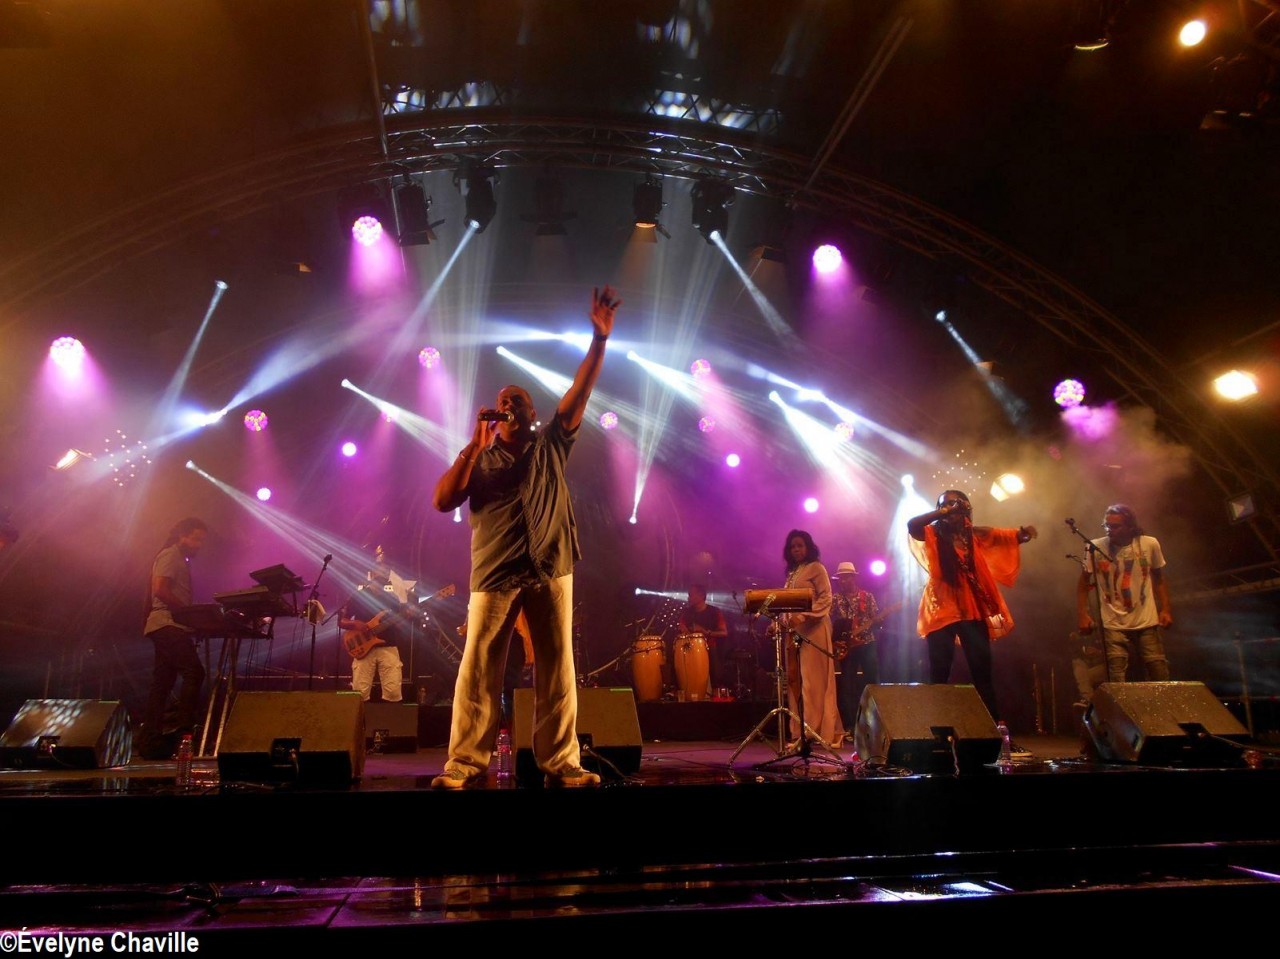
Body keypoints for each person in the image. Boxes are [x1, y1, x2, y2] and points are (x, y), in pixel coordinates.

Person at [430, 285, 620, 789]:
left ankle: (561, 763)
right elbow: (443, 500)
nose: (509, 403)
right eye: (502, 400)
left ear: (532, 412)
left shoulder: (552, 443)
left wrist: (599, 341)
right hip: (495, 572)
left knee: (557, 669)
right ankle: (465, 763)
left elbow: (580, 392)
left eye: (518, 400)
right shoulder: (480, 458)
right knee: (479, 669)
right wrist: (473, 446)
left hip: (551, 566)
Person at [907, 491, 1036, 725]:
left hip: (971, 608)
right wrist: (943, 511)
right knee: (939, 673)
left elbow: (1003, 536)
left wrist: (1021, 535)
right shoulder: (932, 533)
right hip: (940, 609)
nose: (951, 508)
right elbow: (912, 524)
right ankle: (938, 731)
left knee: (982, 672)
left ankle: (993, 728)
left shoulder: (973, 534)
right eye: (945, 504)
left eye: (955, 504)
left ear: (966, 507)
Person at [1076, 504, 1172, 682]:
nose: (1109, 530)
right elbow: (1083, 583)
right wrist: (1083, 614)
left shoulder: (1149, 544)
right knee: (1116, 675)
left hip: (1146, 620)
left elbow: (1159, 579)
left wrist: (1165, 609)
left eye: (1115, 526)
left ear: (1130, 526)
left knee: (1158, 670)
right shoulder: (1095, 547)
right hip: (1112, 622)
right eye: (1107, 525)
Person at [138, 517, 208, 760]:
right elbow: (160, 589)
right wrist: (188, 612)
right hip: (167, 623)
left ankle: (150, 740)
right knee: (194, 672)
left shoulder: (180, 559)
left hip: (167, 624)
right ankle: (184, 734)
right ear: (182, 536)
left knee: (162, 682)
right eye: (196, 539)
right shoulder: (170, 555)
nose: (199, 545)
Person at [779, 529, 839, 746]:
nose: (796, 550)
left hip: (814, 628)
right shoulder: (792, 573)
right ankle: (799, 731)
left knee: (813, 682)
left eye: (800, 545)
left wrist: (803, 616)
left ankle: (814, 730)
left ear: (808, 547)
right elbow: (787, 603)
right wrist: (779, 622)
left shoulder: (816, 568)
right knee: (795, 680)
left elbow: (826, 598)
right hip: (795, 631)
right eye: (792, 547)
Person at [340, 546, 410, 704]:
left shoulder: (394, 598)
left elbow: (400, 625)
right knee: (359, 693)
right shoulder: (358, 596)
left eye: (385, 570)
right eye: (379, 568)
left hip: (388, 646)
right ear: (371, 573)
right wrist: (355, 624)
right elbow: (341, 621)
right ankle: (359, 720)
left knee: (393, 692)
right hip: (363, 649)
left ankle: (388, 719)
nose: (382, 572)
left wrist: (405, 616)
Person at [831, 561, 881, 734]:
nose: (843, 581)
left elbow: (875, 619)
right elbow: (828, 622)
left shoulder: (867, 596)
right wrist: (836, 640)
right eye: (840, 578)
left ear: (853, 578)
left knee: (872, 681)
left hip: (867, 643)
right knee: (847, 684)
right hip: (847, 646)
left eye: (846, 578)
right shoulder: (835, 599)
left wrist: (878, 621)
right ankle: (850, 725)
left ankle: (876, 721)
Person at [679, 583, 728, 692]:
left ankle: (715, 688)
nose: (688, 598)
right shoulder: (687, 613)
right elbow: (681, 628)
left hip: (710, 648)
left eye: (691, 595)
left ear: (701, 596)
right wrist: (684, 630)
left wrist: (705, 632)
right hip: (690, 649)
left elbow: (724, 632)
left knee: (713, 666)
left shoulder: (714, 612)